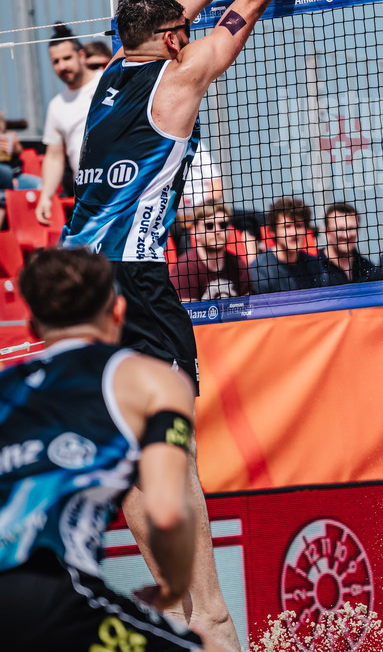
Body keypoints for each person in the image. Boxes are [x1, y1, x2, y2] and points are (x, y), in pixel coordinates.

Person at [61, 0, 355, 646]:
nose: (189, 33)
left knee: (132, 448)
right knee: (172, 445)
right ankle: (210, 614)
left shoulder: (112, 72)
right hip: (132, 280)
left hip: (73, 284)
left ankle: (178, 598)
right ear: (172, 40)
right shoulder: (180, 75)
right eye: (182, 31)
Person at [0, 247, 222, 652]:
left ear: (32, 326)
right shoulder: (149, 381)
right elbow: (168, 509)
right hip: (55, 593)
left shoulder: (7, 386)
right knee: (203, 647)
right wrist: (172, 589)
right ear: (118, 310)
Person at [36, 25, 102, 225]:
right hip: (86, 197)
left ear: (81, 55)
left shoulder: (107, 83)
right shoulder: (56, 106)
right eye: (55, 61)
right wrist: (45, 196)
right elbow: (54, 157)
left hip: (124, 188)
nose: (62, 66)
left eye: (66, 58)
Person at [170, 201, 249, 301]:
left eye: (223, 225)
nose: (217, 231)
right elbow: (187, 310)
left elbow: (249, 306)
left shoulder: (238, 264)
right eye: (209, 226)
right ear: (194, 231)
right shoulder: (184, 269)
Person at [249, 197, 321, 293]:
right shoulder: (259, 270)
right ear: (272, 231)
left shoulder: (315, 265)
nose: (294, 233)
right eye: (287, 226)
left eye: (299, 226)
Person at [316, 202, 377, 285]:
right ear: (327, 232)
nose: (346, 235)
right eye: (340, 229)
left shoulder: (368, 269)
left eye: (351, 228)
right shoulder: (314, 267)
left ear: (358, 230)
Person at [0, 110, 42, 227]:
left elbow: (19, 149)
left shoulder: (11, 136)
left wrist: (14, 146)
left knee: (43, 185)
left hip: (17, 178)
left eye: (1, 119)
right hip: (6, 180)